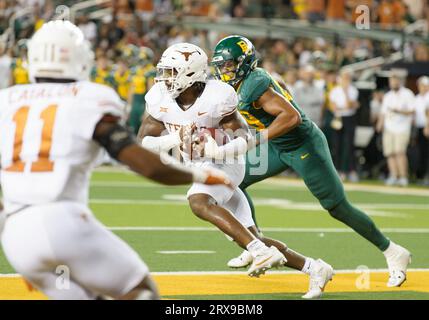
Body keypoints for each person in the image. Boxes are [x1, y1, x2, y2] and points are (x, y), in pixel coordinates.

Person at [0, 20, 230, 300]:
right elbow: (145, 164)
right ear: (80, 57)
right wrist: (201, 176)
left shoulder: (6, 100)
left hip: (15, 234)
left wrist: (23, 243)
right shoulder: (89, 97)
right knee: (140, 290)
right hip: (63, 222)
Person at [211, 35, 411, 288]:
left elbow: (292, 116)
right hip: (278, 146)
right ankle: (256, 244)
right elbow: (280, 88)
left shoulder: (254, 83)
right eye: (222, 65)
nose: (224, 71)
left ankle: (393, 251)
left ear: (244, 62)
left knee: (337, 207)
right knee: (233, 183)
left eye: (229, 65)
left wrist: (253, 140)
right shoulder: (250, 81)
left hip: (303, 145)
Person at [137, 43, 334, 298]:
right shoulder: (159, 97)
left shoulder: (218, 96)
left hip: (225, 163)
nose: (166, 78)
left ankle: (260, 252)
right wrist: (176, 140)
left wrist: (218, 150)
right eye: (165, 71)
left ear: (191, 73)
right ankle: (314, 268)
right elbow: (144, 141)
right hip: (197, 165)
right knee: (249, 236)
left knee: (198, 201)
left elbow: (242, 135)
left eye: (173, 72)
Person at [376, 73, 415, 187]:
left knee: (400, 152)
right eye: (392, 81)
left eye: (395, 81)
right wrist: (380, 124)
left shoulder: (408, 94)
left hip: (402, 127)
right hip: (389, 127)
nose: (393, 83)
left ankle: (403, 177)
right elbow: (383, 112)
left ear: (400, 81)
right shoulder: (388, 95)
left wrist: (398, 111)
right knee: (390, 153)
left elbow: (412, 111)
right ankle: (394, 175)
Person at [329, 69, 360, 182]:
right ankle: (338, 170)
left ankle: (350, 171)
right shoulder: (335, 90)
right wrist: (344, 107)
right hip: (338, 118)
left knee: (349, 145)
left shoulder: (353, 90)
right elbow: (333, 107)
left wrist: (345, 91)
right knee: (337, 145)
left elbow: (349, 105)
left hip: (349, 119)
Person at [413, 76, 429, 184]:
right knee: (422, 153)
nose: (422, 87)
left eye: (424, 85)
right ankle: (422, 176)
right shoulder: (417, 97)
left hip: (426, 128)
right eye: (420, 85)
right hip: (419, 128)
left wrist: (427, 127)